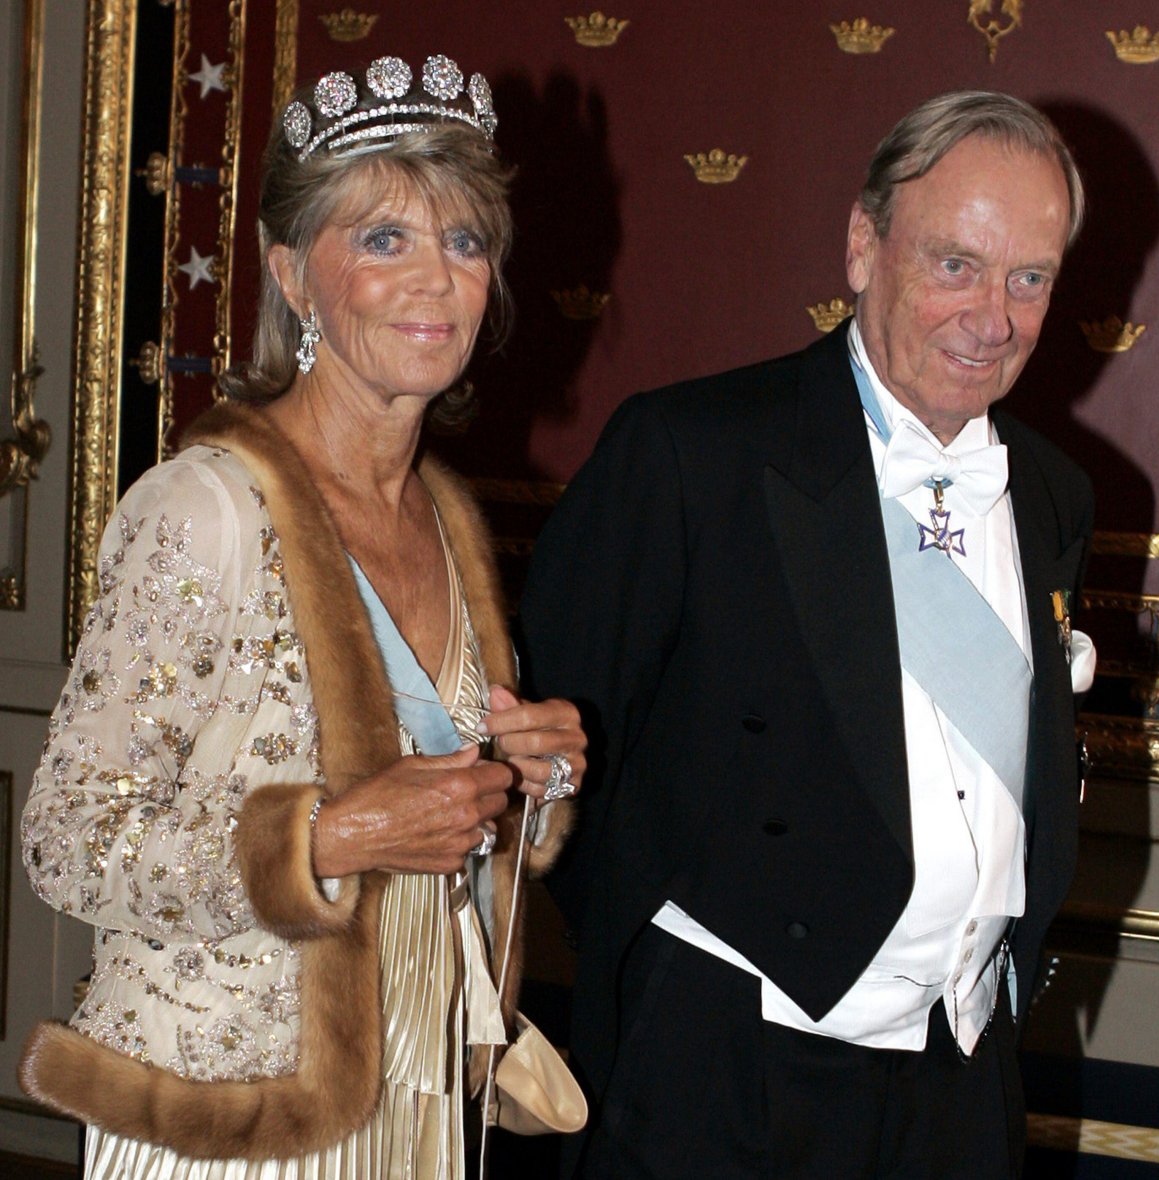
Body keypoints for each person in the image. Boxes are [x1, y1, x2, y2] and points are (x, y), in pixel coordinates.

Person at [19, 53, 585, 1178]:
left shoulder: (446, 517)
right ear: (292, 271)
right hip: (234, 1118)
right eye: (384, 240)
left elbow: (446, 831)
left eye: (465, 242)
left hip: (414, 1083)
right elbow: (65, 838)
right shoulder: (206, 509)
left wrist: (529, 785)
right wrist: (323, 839)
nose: (438, 279)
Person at [518, 90, 1096, 1179]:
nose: (995, 317)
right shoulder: (694, 458)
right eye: (957, 265)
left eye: (1031, 278)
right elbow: (557, 760)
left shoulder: (1054, 497)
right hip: (727, 1079)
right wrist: (675, 993)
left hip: (962, 1082)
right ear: (863, 247)